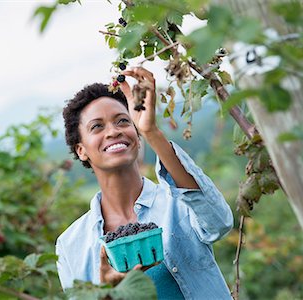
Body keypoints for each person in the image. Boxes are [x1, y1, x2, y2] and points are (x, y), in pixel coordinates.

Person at [56, 67, 233, 299]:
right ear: (81, 150)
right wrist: (108, 294)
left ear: (137, 135)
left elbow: (219, 222)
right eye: (97, 126)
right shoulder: (70, 245)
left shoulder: (177, 203)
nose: (113, 132)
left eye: (122, 121)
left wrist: (151, 131)